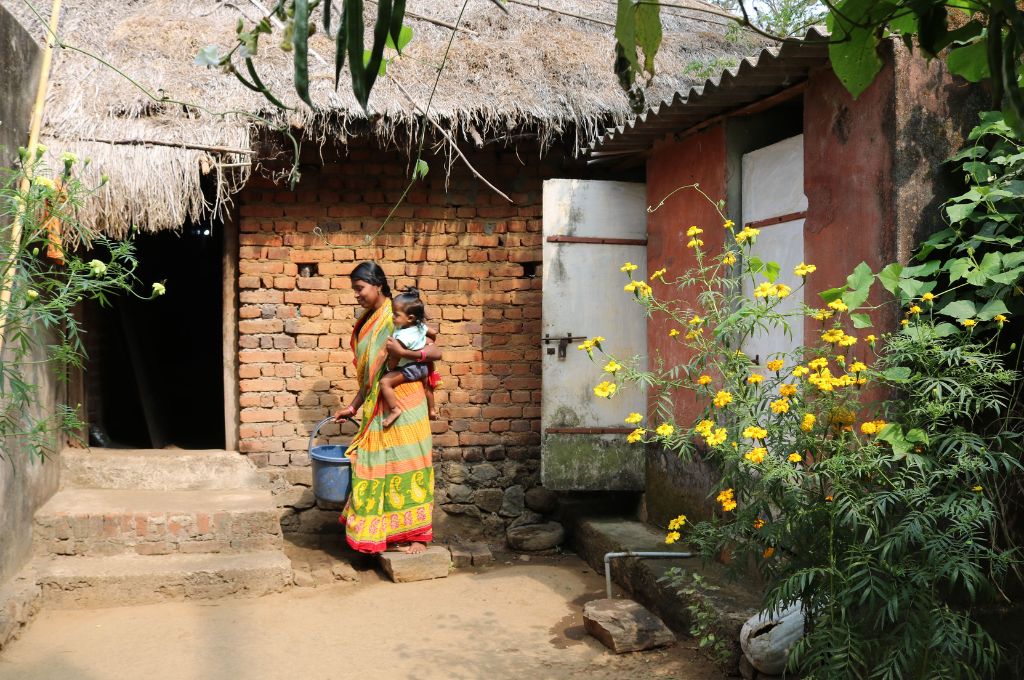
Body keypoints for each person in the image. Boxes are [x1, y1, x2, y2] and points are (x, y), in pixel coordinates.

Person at [333, 262, 441, 555]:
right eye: (354, 289)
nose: (356, 295)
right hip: (380, 401)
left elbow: (433, 349)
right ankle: (388, 535)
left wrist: (406, 353)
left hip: (406, 400)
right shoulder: (371, 319)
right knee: (382, 466)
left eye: (359, 288)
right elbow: (371, 375)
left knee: (409, 462)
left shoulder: (396, 316)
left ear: (377, 285)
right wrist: (353, 407)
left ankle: (417, 535)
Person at [379, 288, 438, 428]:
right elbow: (433, 332)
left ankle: (394, 410)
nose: (392, 317)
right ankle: (432, 409)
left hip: (410, 368)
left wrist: (389, 368)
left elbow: (395, 357)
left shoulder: (401, 337)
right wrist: (429, 341)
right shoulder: (419, 325)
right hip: (423, 367)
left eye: (396, 315)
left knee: (384, 383)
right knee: (427, 387)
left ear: (410, 317)